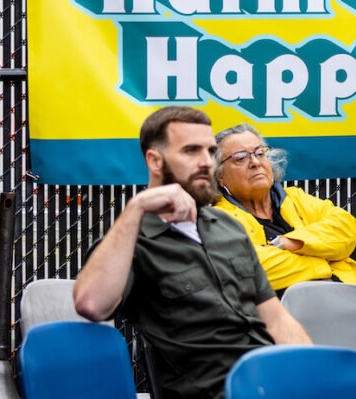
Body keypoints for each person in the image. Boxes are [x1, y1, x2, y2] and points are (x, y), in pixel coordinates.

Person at [73, 107, 311, 399]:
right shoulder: (132, 240)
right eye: (190, 151)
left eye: (210, 151)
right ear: (155, 161)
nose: (205, 162)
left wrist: (311, 373)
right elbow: (91, 304)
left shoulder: (228, 228)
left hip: (274, 383)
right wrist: (136, 209)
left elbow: (276, 319)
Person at [212, 124, 356, 327]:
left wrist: (289, 242)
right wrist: (324, 261)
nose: (255, 163)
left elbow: (345, 229)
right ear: (219, 176)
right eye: (240, 158)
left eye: (259, 153)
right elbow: (248, 267)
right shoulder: (219, 217)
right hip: (287, 326)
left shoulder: (296, 198)